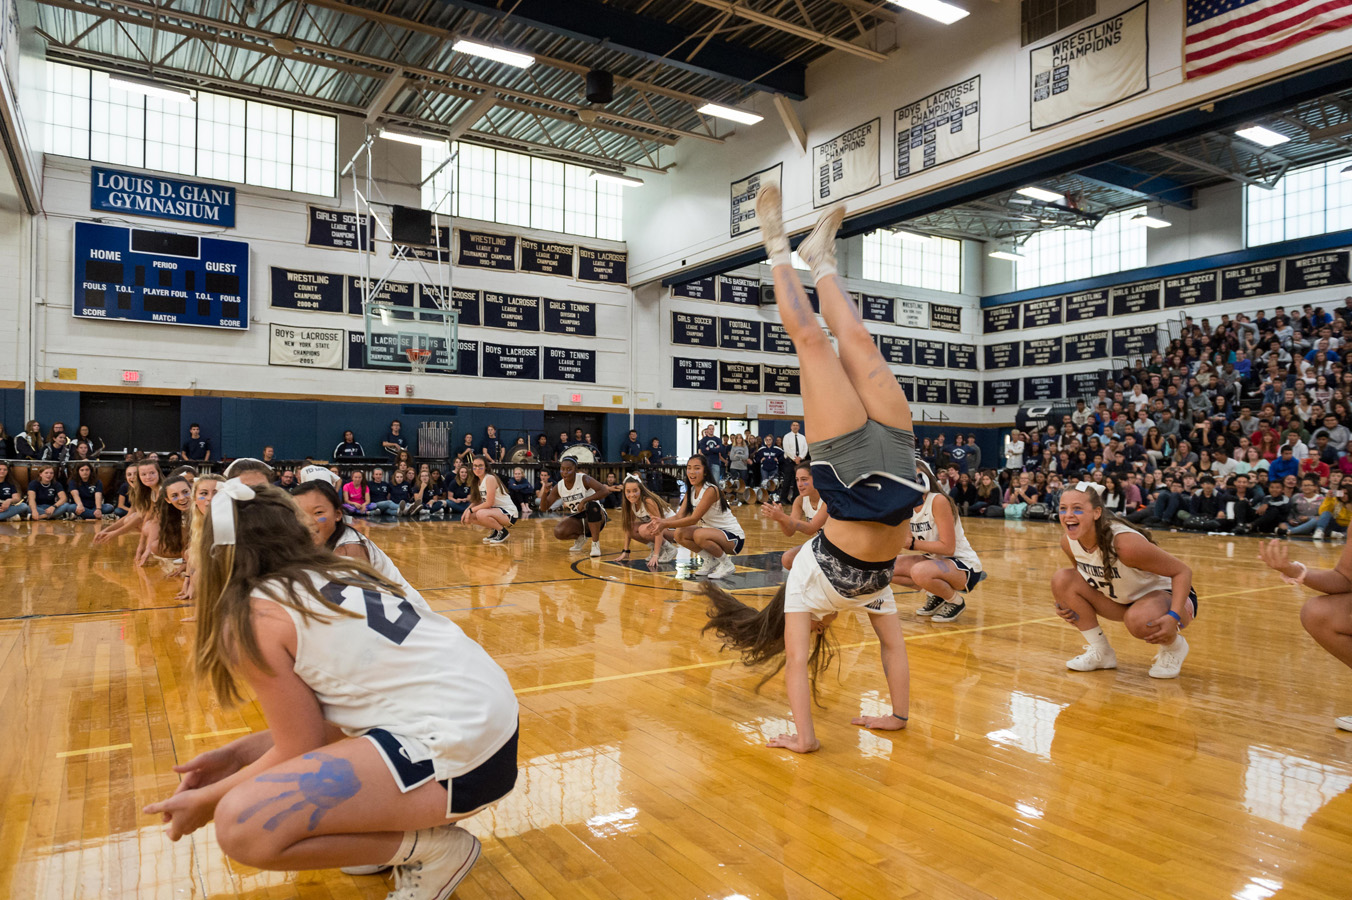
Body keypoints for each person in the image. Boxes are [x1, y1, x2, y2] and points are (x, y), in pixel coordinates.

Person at [142, 481, 518, 894]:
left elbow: (298, 747)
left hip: (464, 759)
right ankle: (392, 840)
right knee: (268, 781)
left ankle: (432, 848)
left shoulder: (257, 614)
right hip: (489, 730)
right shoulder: (336, 570)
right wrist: (235, 756)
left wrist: (208, 800)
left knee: (242, 824)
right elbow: (318, 725)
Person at [701, 188, 920, 753]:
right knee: (862, 345)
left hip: (847, 477)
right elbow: (893, 650)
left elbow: (795, 663)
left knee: (816, 347)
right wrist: (896, 714)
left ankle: (775, 245)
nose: (818, 634)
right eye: (821, 633)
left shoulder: (800, 591)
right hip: (897, 474)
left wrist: (803, 738)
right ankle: (821, 258)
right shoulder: (872, 597)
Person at [1052, 484, 1196, 679]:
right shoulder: (1068, 542)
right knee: (1062, 580)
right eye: (1063, 508)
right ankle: (1101, 652)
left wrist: (1174, 616)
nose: (1068, 515)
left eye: (1077, 508)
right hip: (1124, 599)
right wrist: (1067, 603)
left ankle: (1174, 647)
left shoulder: (1124, 544)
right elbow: (1081, 577)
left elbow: (1182, 572)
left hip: (1171, 597)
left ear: (1096, 513)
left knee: (1138, 619)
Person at [895, 461, 984, 624]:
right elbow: (905, 539)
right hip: (935, 561)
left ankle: (955, 601)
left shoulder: (938, 500)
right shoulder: (906, 505)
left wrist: (912, 544)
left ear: (926, 477)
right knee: (886, 567)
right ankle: (937, 594)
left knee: (919, 571)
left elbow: (948, 548)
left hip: (963, 565)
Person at [657, 454, 745, 579]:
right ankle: (710, 560)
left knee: (699, 535)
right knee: (679, 533)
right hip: (713, 534)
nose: (692, 472)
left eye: (697, 468)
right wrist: (659, 522)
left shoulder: (711, 490)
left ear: (705, 472)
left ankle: (727, 564)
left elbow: (693, 519)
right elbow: (679, 516)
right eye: (689, 468)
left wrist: (664, 525)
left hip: (733, 538)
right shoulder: (691, 490)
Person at [761, 463, 828, 572]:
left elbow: (811, 528)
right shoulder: (800, 500)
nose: (800, 484)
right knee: (788, 559)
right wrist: (781, 519)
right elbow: (789, 532)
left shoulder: (828, 499)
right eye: (797, 480)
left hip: (837, 546)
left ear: (817, 479)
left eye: (804, 479)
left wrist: (783, 517)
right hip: (820, 544)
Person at [539, 457, 612, 556]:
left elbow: (604, 491)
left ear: (575, 470)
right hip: (579, 519)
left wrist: (584, 500)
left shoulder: (584, 479)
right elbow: (544, 508)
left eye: (569, 469)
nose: (565, 472)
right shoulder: (559, 486)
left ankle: (595, 544)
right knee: (559, 531)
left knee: (592, 505)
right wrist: (545, 493)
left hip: (597, 517)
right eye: (563, 469)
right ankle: (581, 537)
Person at [615, 475, 676, 568]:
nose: (632, 494)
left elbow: (658, 527)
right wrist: (625, 551)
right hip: (659, 529)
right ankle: (659, 549)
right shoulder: (630, 504)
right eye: (628, 491)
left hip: (673, 529)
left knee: (644, 530)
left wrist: (655, 555)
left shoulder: (648, 501)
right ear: (624, 492)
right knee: (630, 527)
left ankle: (669, 548)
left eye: (635, 491)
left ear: (641, 490)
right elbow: (628, 528)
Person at [462, 455, 518, 544]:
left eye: (480, 466)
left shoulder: (489, 478)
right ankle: (496, 530)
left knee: (480, 513)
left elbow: (489, 503)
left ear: (485, 467)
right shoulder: (477, 481)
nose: (477, 468)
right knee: (470, 518)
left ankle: (503, 532)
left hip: (509, 513)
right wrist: (466, 512)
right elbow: (477, 500)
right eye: (475, 466)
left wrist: (470, 510)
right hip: (496, 512)